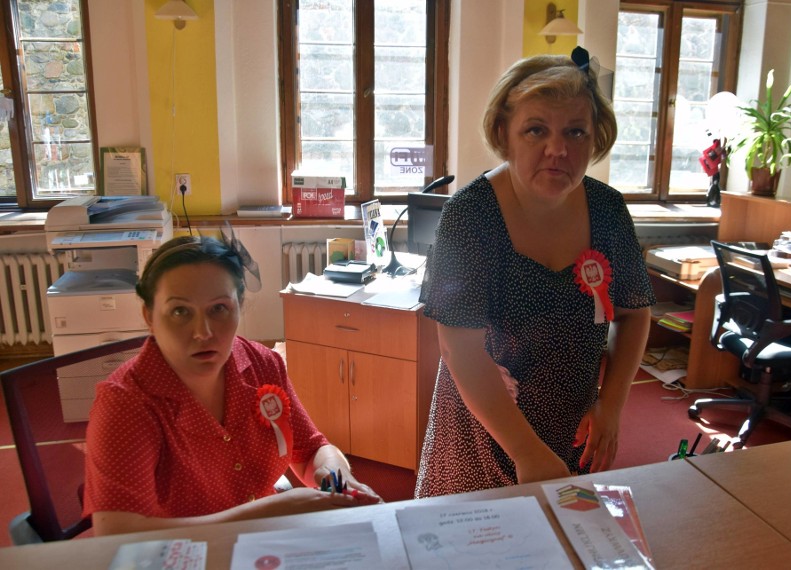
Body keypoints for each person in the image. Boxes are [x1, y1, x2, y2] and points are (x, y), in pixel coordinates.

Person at [415, 47, 655, 498]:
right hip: (483, 425)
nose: (558, 149)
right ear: (504, 134)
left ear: (595, 137)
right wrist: (526, 451)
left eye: (575, 131)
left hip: (570, 422)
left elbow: (634, 313)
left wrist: (612, 404)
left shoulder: (609, 211)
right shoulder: (469, 215)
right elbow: (458, 347)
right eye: (536, 130)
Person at [83, 233, 381, 536]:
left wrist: (337, 476)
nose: (203, 332)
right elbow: (118, 534)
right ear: (149, 316)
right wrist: (271, 513)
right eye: (180, 311)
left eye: (219, 308)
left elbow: (311, 449)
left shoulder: (263, 364)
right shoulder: (125, 402)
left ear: (239, 306)